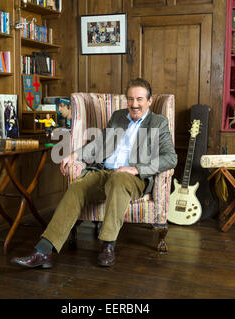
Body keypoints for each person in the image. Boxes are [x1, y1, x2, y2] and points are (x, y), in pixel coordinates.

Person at [11, 78, 177, 269]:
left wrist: (137, 168)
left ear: (149, 101)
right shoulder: (118, 116)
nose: (134, 104)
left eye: (139, 99)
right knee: (77, 187)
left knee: (119, 179)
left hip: (132, 178)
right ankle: (43, 251)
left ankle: (107, 245)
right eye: (130, 99)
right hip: (104, 171)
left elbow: (171, 158)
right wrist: (74, 155)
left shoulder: (158, 122)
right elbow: (99, 144)